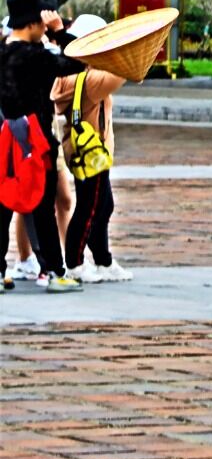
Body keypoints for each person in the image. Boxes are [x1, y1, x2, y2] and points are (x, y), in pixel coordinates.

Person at [0, 0, 87, 292]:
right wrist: (60, 32)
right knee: (42, 206)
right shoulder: (35, 56)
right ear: (35, 24)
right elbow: (77, 63)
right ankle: (55, 272)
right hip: (36, 140)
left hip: (7, 139)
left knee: (3, 205)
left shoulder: (2, 53)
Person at [51, 16, 132, 283]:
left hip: (87, 152)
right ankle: (74, 262)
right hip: (90, 153)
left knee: (102, 205)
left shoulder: (70, 74)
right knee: (89, 208)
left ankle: (103, 260)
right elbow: (124, 71)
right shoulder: (85, 78)